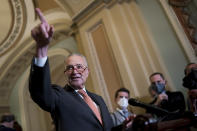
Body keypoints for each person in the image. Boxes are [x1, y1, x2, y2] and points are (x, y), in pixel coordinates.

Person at [29, 8, 133, 131]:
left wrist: (123, 127)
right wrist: (41, 49)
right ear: (66, 73)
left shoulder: (98, 99)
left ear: (87, 71)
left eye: (79, 67)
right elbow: (40, 92)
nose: (75, 71)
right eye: (70, 68)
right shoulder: (59, 95)